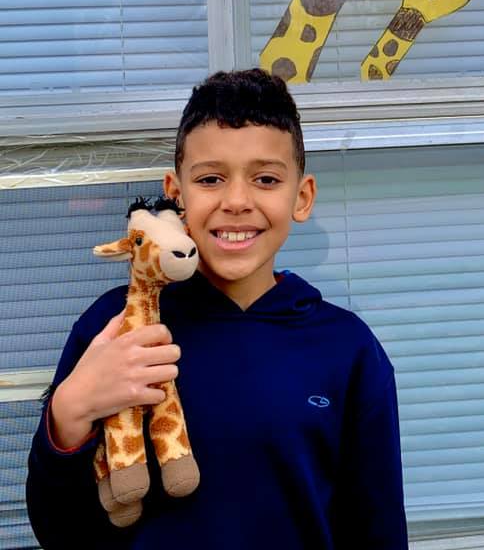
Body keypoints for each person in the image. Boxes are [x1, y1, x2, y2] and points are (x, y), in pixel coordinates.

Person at [26, 68, 408, 549]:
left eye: (266, 179)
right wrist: (68, 411)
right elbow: (59, 533)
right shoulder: (115, 328)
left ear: (302, 196)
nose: (237, 201)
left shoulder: (347, 348)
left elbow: (377, 528)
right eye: (210, 179)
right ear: (176, 194)